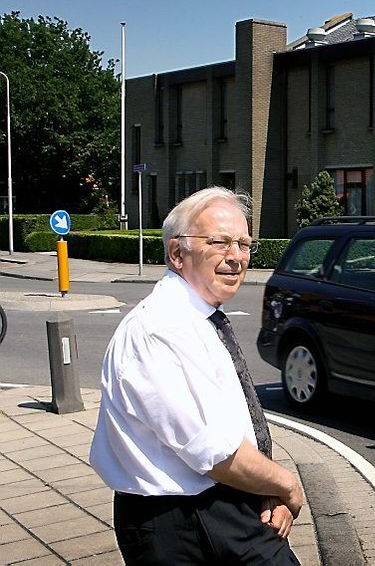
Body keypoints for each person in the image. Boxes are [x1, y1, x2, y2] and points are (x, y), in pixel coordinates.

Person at [89, 187, 303, 565]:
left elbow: (228, 427)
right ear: (177, 254)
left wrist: (263, 490)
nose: (236, 257)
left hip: (228, 499)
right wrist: (285, 484)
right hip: (177, 521)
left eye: (244, 243)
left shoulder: (200, 317)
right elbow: (211, 452)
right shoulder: (158, 329)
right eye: (219, 242)